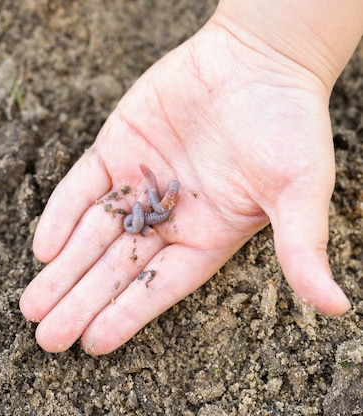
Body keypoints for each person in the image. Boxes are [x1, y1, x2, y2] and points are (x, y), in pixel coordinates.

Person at [19, 0, 363, 355]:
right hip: (147, 214)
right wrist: (268, 44)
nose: (167, 196)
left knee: (148, 209)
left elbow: (154, 212)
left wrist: (276, 53)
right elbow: (149, 216)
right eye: (165, 195)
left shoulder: (159, 207)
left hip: (149, 213)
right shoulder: (153, 210)